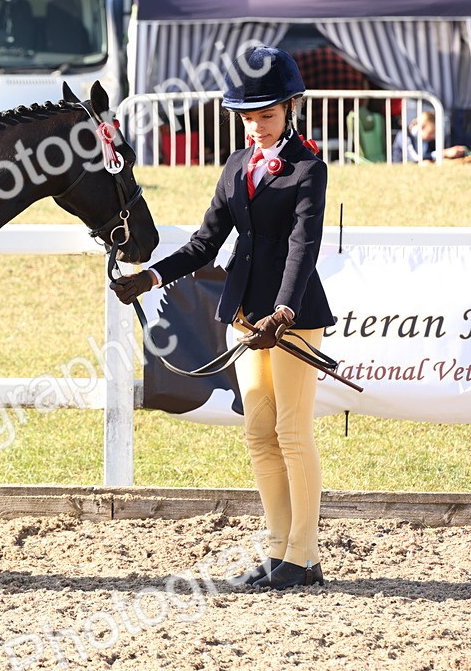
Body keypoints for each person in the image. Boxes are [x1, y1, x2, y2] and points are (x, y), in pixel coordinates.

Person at [112, 46, 337, 591]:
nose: (256, 126)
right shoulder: (236, 166)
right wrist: (151, 277)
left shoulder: (309, 166)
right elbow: (205, 242)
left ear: (290, 108)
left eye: (267, 114)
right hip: (245, 314)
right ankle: (279, 549)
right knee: (259, 433)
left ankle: (304, 557)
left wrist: (283, 310)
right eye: (248, 116)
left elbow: (305, 246)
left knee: (292, 431)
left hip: (292, 316)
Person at [391, 110, 468, 163]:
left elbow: (427, 157)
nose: (433, 137)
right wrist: (443, 153)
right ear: (423, 127)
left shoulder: (425, 140)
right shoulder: (403, 135)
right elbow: (415, 158)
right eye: (432, 132)